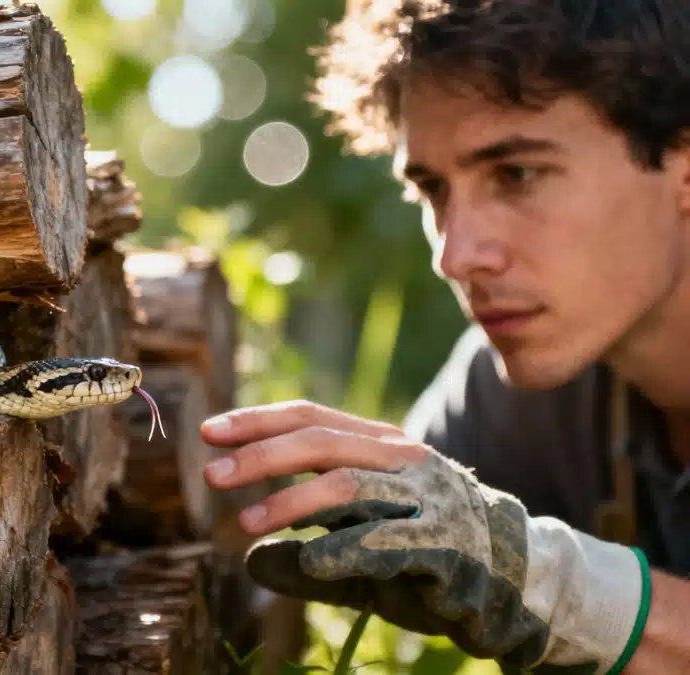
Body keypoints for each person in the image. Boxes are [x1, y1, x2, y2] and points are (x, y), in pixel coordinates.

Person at [200, 1, 690, 673]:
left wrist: (566, 589)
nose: (455, 255)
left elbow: (512, 559)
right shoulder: (505, 393)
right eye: (433, 191)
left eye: (516, 174)